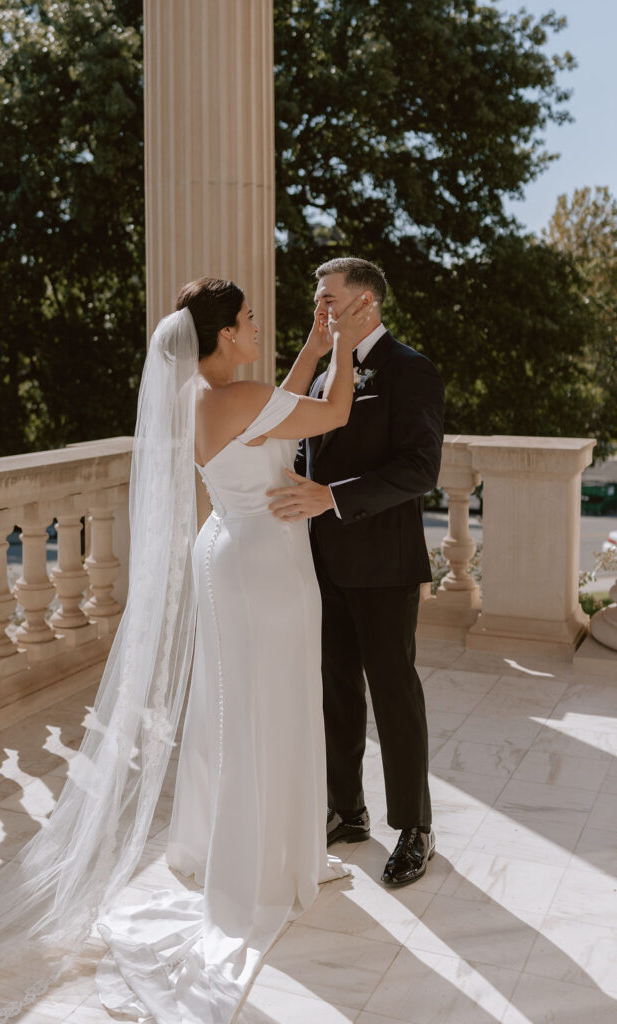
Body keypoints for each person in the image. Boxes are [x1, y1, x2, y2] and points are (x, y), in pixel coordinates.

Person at [0, 278, 371, 1024]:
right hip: (266, 566)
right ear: (224, 335)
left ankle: (249, 846)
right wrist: (352, 344)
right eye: (248, 319)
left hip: (227, 552)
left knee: (235, 704)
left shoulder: (206, 396)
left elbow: (277, 410)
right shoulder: (239, 397)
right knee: (273, 703)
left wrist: (313, 348)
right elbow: (328, 412)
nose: (256, 325)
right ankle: (265, 865)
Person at [268, 257, 445, 888]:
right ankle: (347, 812)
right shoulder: (326, 378)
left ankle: (415, 828)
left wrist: (332, 497)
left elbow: (421, 469)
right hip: (320, 563)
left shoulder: (410, 370)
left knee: (394, 693)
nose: (319, 309)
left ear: (365, 302)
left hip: (384, 564)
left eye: (328, 299)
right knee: (334, 691)